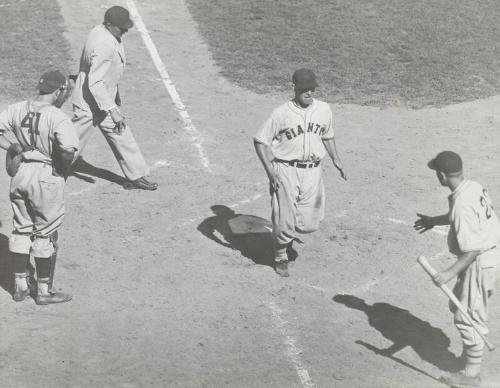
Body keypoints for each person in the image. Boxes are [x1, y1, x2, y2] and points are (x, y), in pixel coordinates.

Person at [414, 151, 500, 387]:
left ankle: (471, 376)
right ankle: (471, 357)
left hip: (479, 262)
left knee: (468, 316)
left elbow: (471, 250)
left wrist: (448, 274)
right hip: (489, 256)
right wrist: (434, 220)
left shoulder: (461, 202)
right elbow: (460, 216)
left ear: (441, 175)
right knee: (461, 305)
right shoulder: (472, 186)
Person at [254, 68, 346, 277]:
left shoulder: (324, 110)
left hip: (313, 172)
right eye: (304, 88)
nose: (309, 92)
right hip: (286, 171)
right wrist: (270, 171)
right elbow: (260, 141)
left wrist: (336, 158)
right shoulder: (281, 113)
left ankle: (282, 233)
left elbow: (327, 135)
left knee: (308, 223)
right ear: (294, 87)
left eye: (312, 88)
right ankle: (280, 255)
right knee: (285, 219)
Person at [0, 70, 79, 305]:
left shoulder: (16, 108)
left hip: (21, 174)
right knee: (45, 233)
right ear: (59, 91)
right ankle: (44, 291)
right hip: (46, 176)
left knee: (21, 229)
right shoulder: (57, 117)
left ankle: (20, 286)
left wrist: (12, 146)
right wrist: (61, 169)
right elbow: (67, 151)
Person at [71, 5, 157, 191]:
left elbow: (105, 74)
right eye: (122, 26)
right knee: (70, 143)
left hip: (103, 96)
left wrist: (114, 93)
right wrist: (112, 110)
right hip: (88, 102)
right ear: (109, 24)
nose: (126, 29)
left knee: (121, 133)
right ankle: (45, 165)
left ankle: (135, 176)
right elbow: (95, 82)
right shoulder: (104, 45)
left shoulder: (102, 31)